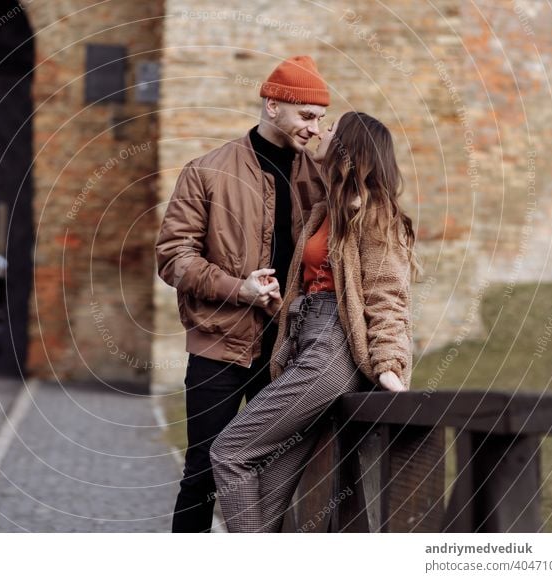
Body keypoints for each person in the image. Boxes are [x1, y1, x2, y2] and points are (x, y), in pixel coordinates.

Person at [210, 111, 419, 533]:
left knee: (229, 451)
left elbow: (388, 297)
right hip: (307, 346)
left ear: (349, 148)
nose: (322, 132)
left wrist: (390, 367)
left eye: (332, 129)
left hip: (331, 354)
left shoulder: (374, 215)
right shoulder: (327, 210)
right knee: (265, 504)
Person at [156, 56, 331, 532]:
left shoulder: (321, 177)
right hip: (219, 347)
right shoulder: (206, 171)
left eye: (321, 118)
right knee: (203, 474)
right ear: (273, 106)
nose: (316, 129)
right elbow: (173, 257)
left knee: (281, 473)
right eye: (308, 116)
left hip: (290, 351)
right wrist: (241, 290)